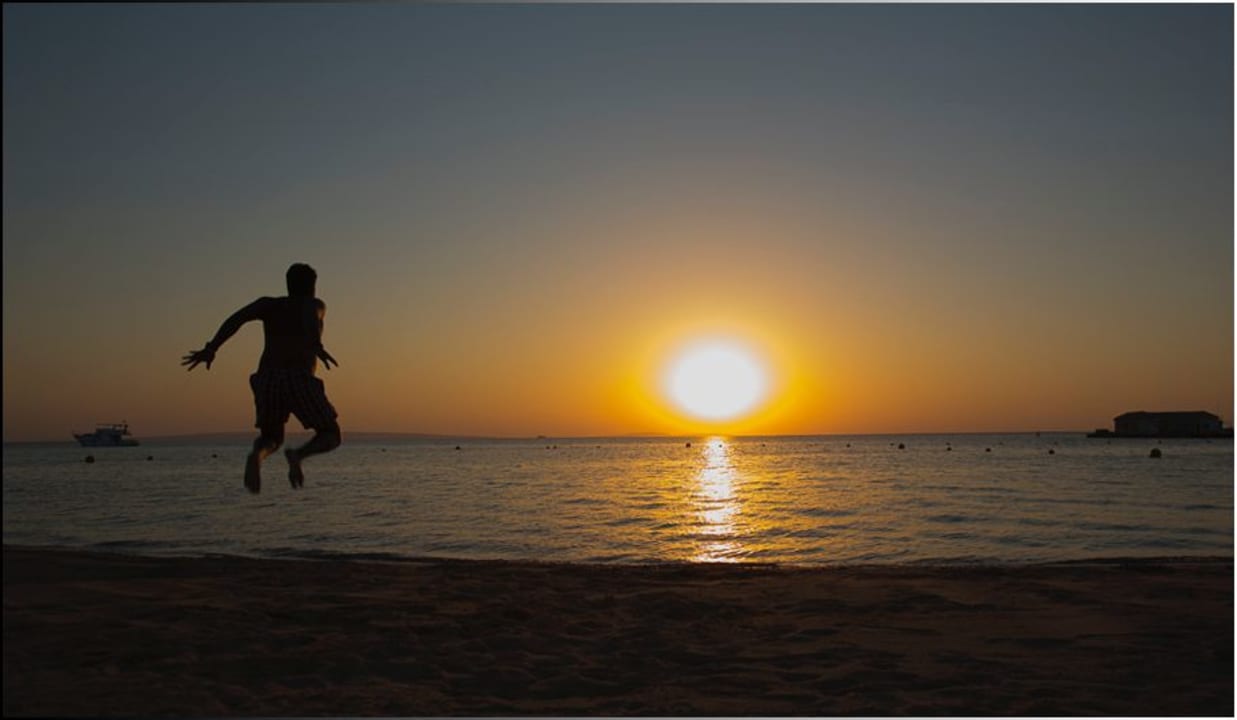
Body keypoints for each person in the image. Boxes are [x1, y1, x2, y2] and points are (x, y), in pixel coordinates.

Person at [182, 263, 340, 493]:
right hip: (298, 377)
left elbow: (236, 319)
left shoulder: (268, 305)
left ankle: (257, 455)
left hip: (268, 378)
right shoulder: (314, 304)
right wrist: (317, 345)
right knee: (330, 434)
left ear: (288, 284)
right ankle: (298, 455)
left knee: (271, 437)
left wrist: (212, 347)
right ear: (312, 287)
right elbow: (310, 317)